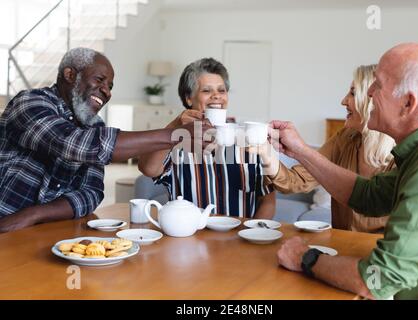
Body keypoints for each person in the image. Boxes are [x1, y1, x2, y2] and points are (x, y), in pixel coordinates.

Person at [274, 43, 418, 299]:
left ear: (407, 103)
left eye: (378, 84)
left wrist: (305, 257)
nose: (368, 92)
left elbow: (378, 279)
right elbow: (369, 195)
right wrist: (300, 150)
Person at [0, 47, 209, 233]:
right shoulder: (30, 102)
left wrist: (34, 215)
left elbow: (92, 192)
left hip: (45, 231)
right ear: (70, 74)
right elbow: (77, 143)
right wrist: (176, 135)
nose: (107, 91)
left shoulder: (95, 125)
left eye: (110, 86)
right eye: (99, 80)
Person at [257, 65, 395, 233]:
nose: (343, 101)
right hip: (342, 245)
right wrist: (264, 152)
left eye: (353, 93)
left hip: (378, 253)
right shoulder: (345, 138)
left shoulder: (402, 155)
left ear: (372, 98)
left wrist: (299, 148)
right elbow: (298, 181)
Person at [138, 57, 275, 218]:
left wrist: (252, 234)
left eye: (221, 90)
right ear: (189, 98)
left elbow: (268, 201)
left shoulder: (248, 139)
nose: (216, 96)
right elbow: (148, 168)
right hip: (190, 236)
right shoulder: (176, 140)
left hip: (240, 238)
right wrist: (175, 126)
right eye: (206, 90)